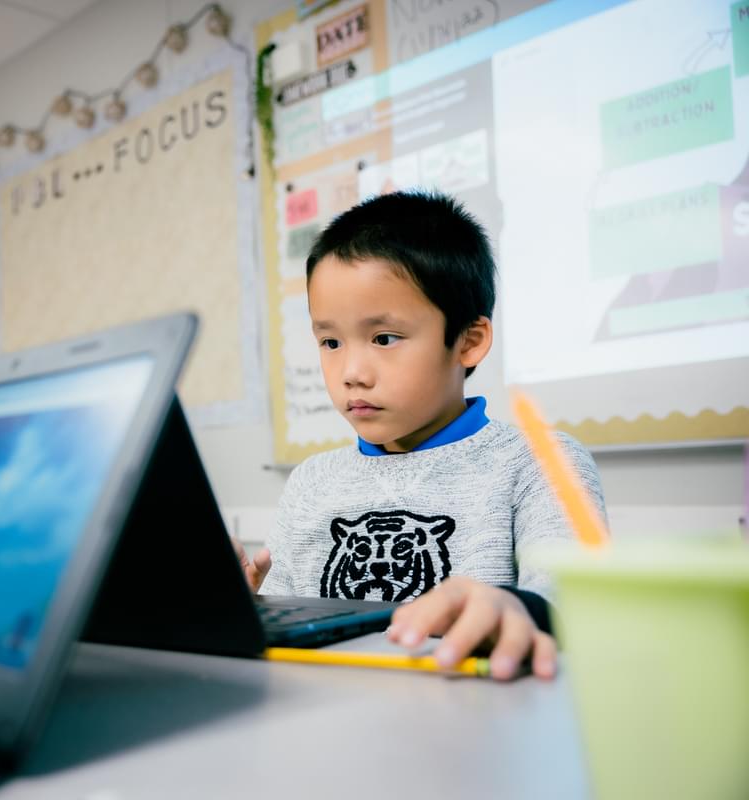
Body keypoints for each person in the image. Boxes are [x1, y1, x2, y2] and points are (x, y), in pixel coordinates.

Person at [236, 190, 606, 681]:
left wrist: (518, 611)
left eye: (384, 338)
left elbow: (575, 607)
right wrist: (246, 609)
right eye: (330, 341)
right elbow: (287, 633)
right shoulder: (312, 482)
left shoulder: (540, 464)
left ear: (469, 341)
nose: (351, 372)